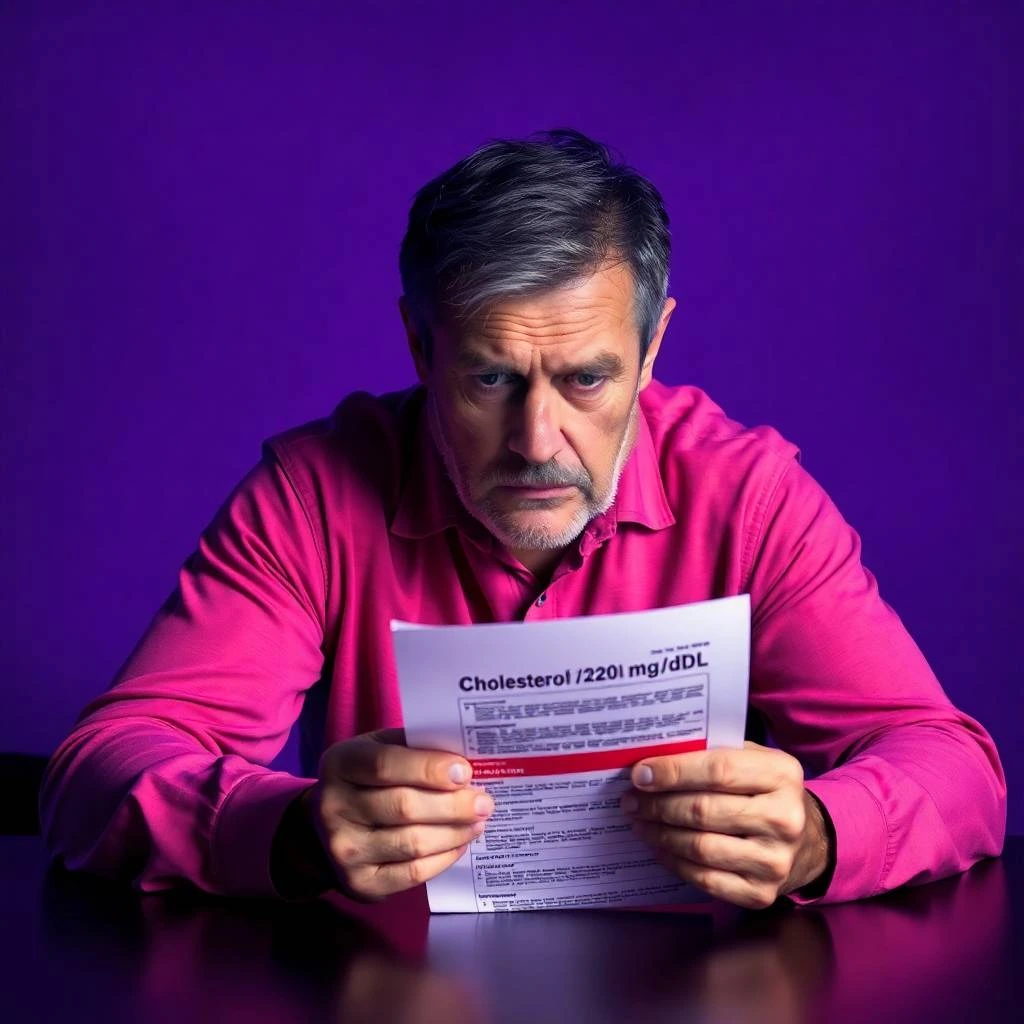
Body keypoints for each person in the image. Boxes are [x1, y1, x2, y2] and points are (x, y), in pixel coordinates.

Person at [40, 129, 1005, 909]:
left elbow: (957, 769)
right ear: (421, 347)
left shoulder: (748, 494)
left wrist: (819, 837)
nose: (538, 439)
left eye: (588, 378)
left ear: (654, 341)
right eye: (491, 378)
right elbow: (95, 775)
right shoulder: (314, 493)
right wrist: (288, 829)